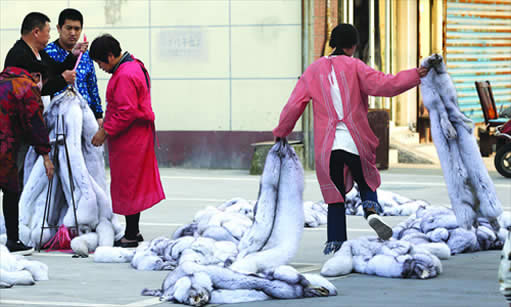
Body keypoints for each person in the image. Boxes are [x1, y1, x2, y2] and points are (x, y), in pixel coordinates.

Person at [272, 24, 429, 254]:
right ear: (354, 46)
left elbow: (294, 106)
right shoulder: (356, 67)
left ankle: (336, 245)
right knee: (366, 181)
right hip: (357, 142)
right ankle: (371, 211)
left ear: (332, 43)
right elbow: (386, 85)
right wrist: (416, 75)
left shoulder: (313, 71)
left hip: (328, 147)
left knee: (335, 197)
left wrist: (281, 132)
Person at [89, 34, 165, 248]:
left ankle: (131, 234)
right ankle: (134, 231)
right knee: (132, 183)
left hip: (130, 138)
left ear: (111, 56)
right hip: (137, 135)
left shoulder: (124, 75)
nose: (101, 67)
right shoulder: (134, 65)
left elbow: (126, 112)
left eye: (101, 62)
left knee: (128, 184)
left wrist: (105, 131)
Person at [3, 12, 86, 189]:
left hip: (34, 122)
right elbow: (38, 89)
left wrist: (73, 56)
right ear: (36, 32)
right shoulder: (19, 56)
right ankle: (15, 215)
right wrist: (63, 80)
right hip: (19, 126)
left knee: (29, 173)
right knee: (16, 178)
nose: (49, 36)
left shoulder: (38, 53)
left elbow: (53, 70)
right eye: (48, 31)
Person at [0, 64, 55, 255]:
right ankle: (13, 240)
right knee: (10, 191)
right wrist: (45, 154)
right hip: (6, 146)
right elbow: (35, 123)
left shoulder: (2, 80)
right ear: (37, 76)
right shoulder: (26, 87)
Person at [45, 8, 103, 125]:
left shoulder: (85, 55)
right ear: (59, 28)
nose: (73, 33)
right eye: (68, 28)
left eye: (77, 29)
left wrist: (98, 115)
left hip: (86, 115)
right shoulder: (47, 52)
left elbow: (92, 85)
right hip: (58, 119)